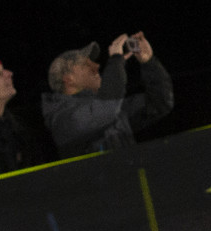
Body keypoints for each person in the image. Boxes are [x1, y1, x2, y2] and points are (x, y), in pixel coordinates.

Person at [44, 35, 175, 152]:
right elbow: (105, 110)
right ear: (68, 79)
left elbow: (160, 104)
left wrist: (148, 62)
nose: (96, 67)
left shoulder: (112, 108)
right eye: (85, 65)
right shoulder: (63, 121)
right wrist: (116, 60)